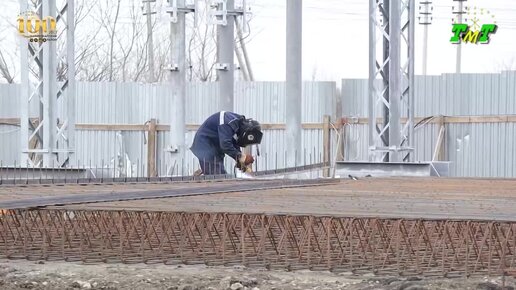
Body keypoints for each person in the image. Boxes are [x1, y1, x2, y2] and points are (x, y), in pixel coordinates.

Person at [190, 111, 263, 175]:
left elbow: (233, 143)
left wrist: (240, 161)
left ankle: (204, 173)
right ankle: (204, 175)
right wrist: (241, 157)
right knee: (217, 177)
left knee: (219, 174)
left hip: (214, 147)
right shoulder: (229, 122)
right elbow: (225, 144)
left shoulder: (236, 125)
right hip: (205, 145)